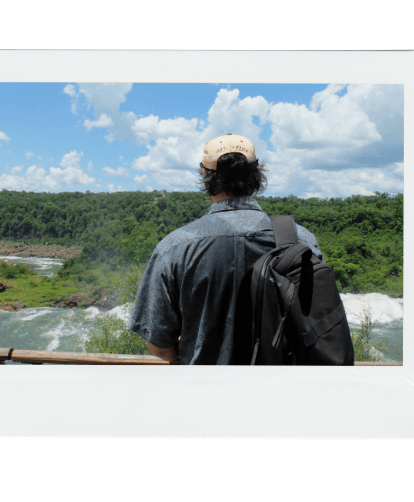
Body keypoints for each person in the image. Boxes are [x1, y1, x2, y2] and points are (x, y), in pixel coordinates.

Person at [128, 134, 322, 365]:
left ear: (205, 175)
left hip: (205, 392)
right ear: (257, 174)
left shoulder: (174, 248)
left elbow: (158, 345)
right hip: (280, 392)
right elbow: (320, 327)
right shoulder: (301, 241)